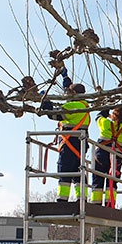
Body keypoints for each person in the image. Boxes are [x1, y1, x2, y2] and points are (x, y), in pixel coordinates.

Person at [40, 69, 90, 202]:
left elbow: (53, 114)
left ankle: (62, 200)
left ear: (73, 94)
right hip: (80, 144)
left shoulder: (73, 106)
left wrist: (45, 100)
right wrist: (65, 77)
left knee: (65, 171)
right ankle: (82, 199)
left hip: (69, 145)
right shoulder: (84, 105)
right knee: (78, 171)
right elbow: (69, 90)